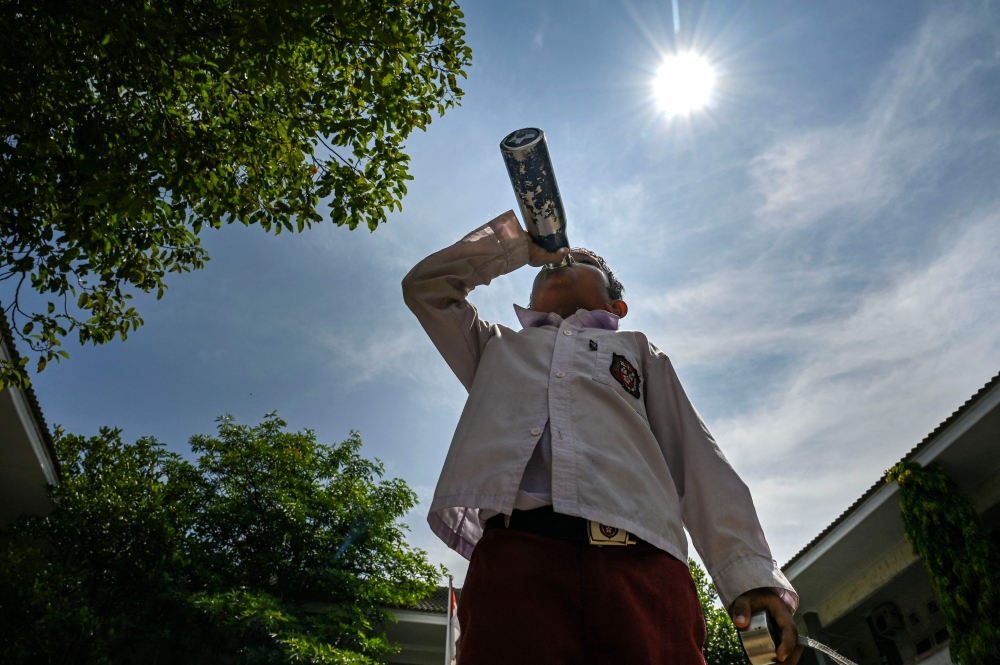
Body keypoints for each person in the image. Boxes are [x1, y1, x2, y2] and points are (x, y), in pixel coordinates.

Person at [402, 210, 802, 665]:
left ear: (616, 307)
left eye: (582, 259)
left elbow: (697, 459)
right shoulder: (496, 346)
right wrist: (516, 247)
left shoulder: (638, 351)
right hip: (516, 562)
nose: (563, 257)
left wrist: (749, 576)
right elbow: (427, 289)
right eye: (553, 259)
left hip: (646, 565)